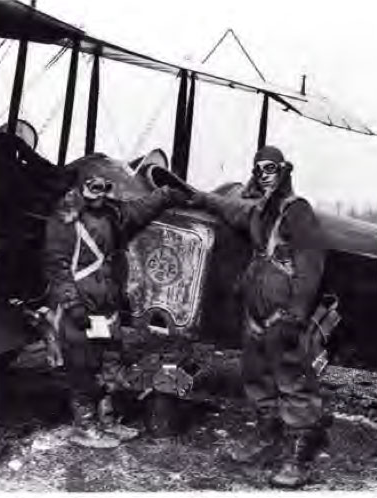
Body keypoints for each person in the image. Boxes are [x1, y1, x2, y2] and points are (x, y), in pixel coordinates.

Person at [190, 145, 329, 488]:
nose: (264, 175)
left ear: (284, 171)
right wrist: (194, 195)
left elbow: (310, 266)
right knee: (257, 378)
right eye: (259, 169)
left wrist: (296, 315)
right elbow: (226, 206)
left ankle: (298, 461)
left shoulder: (298, 211)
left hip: (283, 315)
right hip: (255, 313)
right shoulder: (258, 212)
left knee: (293, 381)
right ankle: (268, 439)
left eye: (271, 169)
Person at [43, 171, 189, 448]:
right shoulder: (63, 220)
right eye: (93, 186)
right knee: (83, 368)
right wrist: (72, 304)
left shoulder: (112, 213)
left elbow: (139, 210)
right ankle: (85, 426)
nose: (100, 192)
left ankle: (106, 420)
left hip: (106, 303)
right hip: (79, 307)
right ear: (79, 187)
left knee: (109, 364)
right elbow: (57, 267)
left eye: (105, 187)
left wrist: (166, 195)